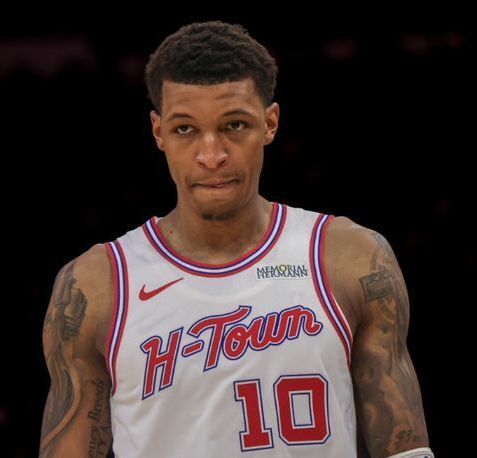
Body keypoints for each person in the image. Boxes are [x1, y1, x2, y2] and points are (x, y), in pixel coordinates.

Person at [39, 20, 432, 458]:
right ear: (158, 132)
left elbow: (406, 452)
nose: (211, 155)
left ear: (269, 123)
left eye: (234, 125)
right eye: (185, 129)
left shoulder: (348, 258)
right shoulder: (97, 285)